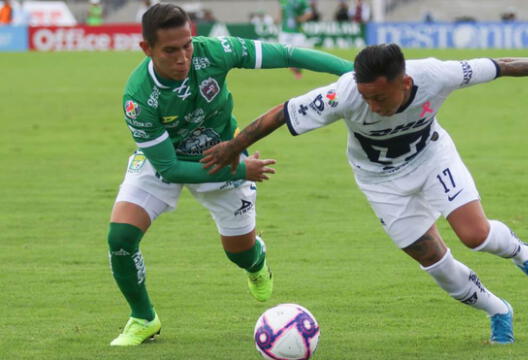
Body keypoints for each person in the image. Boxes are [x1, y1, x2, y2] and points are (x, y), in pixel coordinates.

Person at [201, 44, 528, 344]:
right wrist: (235, 147)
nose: (372, 106)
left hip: (433, 158)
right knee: (433, 262)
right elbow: (281, 112)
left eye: (380, 97)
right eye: (366, 97)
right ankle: (498, 309)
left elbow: (500, 67)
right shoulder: (346, 94)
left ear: (405, 82)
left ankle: (522, 254)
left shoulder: (436, 75)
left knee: (475, 235)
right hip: (379, 182)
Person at [108, 3, 353, 346]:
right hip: (169, 159)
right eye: (170, 50)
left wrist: (354, 73)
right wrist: (243, 168)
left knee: (239, 253)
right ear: (146, 49)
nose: (183, 57)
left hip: (222, 152)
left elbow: (285, 54)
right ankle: (143, 318)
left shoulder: (216, 52)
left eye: (187, 44)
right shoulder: (138, 97)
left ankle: (256, 262)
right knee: (120, 239)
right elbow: (169, 168)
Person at [277, 0, 314, 78]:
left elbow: (309, 13)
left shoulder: (302, 1)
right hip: (285, 31)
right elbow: (281, 10)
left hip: (297, 31)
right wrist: (279, 18)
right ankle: (295, 72)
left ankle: (298, 71)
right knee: (284, 52)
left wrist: (300, 19)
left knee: (298, 52)